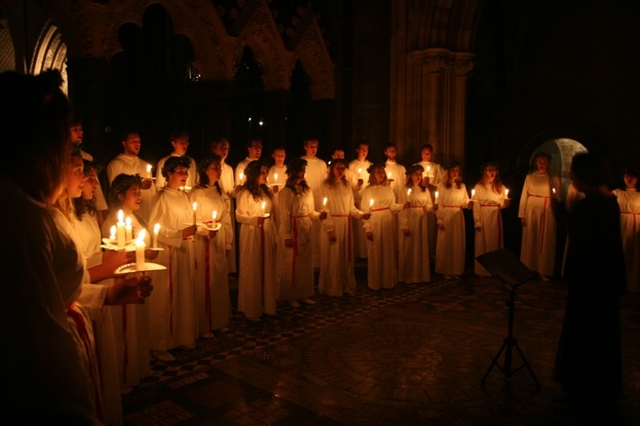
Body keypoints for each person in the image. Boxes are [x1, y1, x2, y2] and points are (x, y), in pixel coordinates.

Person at [0, 70, 151, 424]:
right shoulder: (21, 218)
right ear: (36, 146)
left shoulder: (29, 207)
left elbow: (51, 291)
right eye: (63, 146)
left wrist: (107, 296)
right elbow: (38, 342)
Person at [554, 152, 625, 422]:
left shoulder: (597, 203)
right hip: (602, 279)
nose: (572, 177)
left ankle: (586, 383)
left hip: (591, 278)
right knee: (600, 329)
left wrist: (561, 214)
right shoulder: (606, 200)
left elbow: (584, 236)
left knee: (587, 329)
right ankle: (597, 383)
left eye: (574, 172)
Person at [102, 173, 158, 390]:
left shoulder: (135, 218)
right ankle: (123, 375)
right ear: (119, 195)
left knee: (137, 324)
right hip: (122, 278)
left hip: (135, 276)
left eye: (139, 191)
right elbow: (114, 256)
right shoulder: (112, 222)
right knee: (125, 329)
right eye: (133, 192)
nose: (139, 196)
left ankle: (138, 368)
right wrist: (141, 254)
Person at [147, 156, 199, 361]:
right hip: (168, 253)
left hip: (185, 250)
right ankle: (160, 343)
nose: (185, 176)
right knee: (166, 298)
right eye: (180, 172)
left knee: (183, 295)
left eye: (186, 172)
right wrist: (180, 233)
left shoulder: (185, 197)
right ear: (169, 173)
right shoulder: (161, 197)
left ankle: (181, 336)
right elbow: (155, 229)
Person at [189, 156, 233, 337]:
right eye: (215, 167)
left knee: (219, 281)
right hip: (203, 241)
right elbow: (191, 220)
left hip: (219, 238)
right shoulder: (196, 193)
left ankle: (219, 319)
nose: (219, 169)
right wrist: (204, 230)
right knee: (205, 281)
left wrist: (228, 242)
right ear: (205, 170)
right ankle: (204, 323)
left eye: (219, 167)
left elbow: (227, 219)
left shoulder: (221, 193)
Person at [276, 158, 326, 307]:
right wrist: (287, 235)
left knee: (304, 263)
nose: (304, 172)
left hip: (305, 229)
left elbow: (310, 211)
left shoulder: (306, 190)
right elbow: (284, 216)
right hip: (293, 229)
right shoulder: (286, 192)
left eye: (305, 169)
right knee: (291, 263)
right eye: (301, 169)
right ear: (293, 172)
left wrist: (319, 216)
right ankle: (290, 295)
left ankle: (304, 293)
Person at [319, 159, 370, 296]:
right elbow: (324, 209)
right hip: (333, 223)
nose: (341, 171)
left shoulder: (347, 186)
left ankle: (345, 284)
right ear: (332, 169)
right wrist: (329, 228)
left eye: (343, 168)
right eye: (338, 168)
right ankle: (332, 287)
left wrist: (361, 215)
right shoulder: (325, 186)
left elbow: (351, 207)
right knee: (333, 256)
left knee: (344, 256)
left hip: (345, 224)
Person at [236, 160, 278, 321]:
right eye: (263, 172)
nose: (266, 175)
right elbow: (239, 215)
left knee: (266, 267)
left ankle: (266, 305)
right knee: (252, 268)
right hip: (251, 232)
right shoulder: (245, 193)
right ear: (254, 175)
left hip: (265, 231)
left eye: (266, 172)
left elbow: (271, 213)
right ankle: (251, 307)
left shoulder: (265, 191)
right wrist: (254, 220)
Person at [361, 163, 409, 290]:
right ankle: (375, 282)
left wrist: (401, 206)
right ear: (372, 175)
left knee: (387, 251)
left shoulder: (388, 188)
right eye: (378, 172)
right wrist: (368, 228)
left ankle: (388, 280)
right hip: (374, 220)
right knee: (375, 252)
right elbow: (365, 209)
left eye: (382, 172)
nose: (381, 175)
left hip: (387, 220)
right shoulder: (368, 190)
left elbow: (392, 206)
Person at [518, 152, 561, 281]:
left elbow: (557, 196)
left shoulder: (554, 178)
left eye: (544, 161)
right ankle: (529, 268)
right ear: (536, 163)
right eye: (539, 161)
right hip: (532, 211)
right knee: (532, 237)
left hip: (547, 211)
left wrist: (555, 201)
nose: (542, 164)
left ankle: (544, 269)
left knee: (546, 239)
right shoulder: (530, 177)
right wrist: (522, 214)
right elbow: (524, 196)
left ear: (548, 163)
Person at [107, 130, 157, 222]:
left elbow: (152, 193)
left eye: (138, 141)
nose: (137, 144)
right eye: (132, 141)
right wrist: (140, 186)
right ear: (124, 143)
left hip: (147, 215)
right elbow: (116, 189)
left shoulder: (145, 164)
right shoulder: (116, 164)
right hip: (127, 218)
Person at [398, 164, 435, 283]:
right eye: (416, 174)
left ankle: (420, 275)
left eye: (420, 174)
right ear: (410, 176)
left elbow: (427, 205)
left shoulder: (425, 189)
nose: (419, 177)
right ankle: (408, 276)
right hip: (410, 219)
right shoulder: (404, 190)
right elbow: (401, 209)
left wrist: (433, 207)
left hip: (421, 220)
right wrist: (404, 225)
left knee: (420, 246)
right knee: (409, 247)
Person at [435, 162, 472, 279]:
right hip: (446, 214)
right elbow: (439, 203)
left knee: (457, 242)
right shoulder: (442, 186)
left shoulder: (462, 186)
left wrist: (469, 203)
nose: (455, 173)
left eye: (457, 171)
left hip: (458, 215)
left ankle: (456, 269)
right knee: (446, 242)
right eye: (453, 170)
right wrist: (440, 219)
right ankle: (445, 269)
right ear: (448, 171)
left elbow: (464, 201)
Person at [472, 163, 510, 277]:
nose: (492, 172)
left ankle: (495, 270)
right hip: (484, 216)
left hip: (495, 217)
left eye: (494, 170)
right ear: (485, 171)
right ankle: (482, 270)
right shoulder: (479, 187)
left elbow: (502, 203)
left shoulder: (500, 187)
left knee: (494, 241)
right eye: (489, 170)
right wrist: (477, 220)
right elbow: (476, 204)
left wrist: (505, 203)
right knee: (483, 242)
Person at [70, 117, 108, 227]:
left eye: (81, 129)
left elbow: (97, 191)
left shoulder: (87, 157)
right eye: (75, 129)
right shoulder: (60, 157)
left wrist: (100, 218)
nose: (80, 132)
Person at [210, 137, 238, 274]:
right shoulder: (210, 166)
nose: (225, 150)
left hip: (227, 206)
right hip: (215, 207)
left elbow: (230, 190)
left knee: (227, 234)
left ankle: (227, 269)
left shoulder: (228, 169)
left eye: (226, 147)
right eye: (222, 147)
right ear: (214, 149)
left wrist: (236, 191)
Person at [301, 137, 328, 267]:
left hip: (318, 196)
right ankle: (307, 257)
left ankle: (319, 257)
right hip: (305, 197)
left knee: (319, 227)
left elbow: (325, 180)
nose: (313, 149)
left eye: (315, 147)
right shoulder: (301, 162)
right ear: (305, 147)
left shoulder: (322, 164)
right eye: (311, 146)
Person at [612, 167, 640, 293]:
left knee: (635, 254)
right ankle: (620, 283)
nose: (629, 179)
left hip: (637, 226)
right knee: (621, 252)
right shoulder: (617, 193)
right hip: (622, 224)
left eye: (632, 177)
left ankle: (634, 284)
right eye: (627, 176)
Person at [417, 144, 444, 261]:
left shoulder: (437, 167)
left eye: (429, 153)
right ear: (421, 153)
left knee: (432, 225)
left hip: (433, 197)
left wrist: (431, 186)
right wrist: (423, 184)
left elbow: (442, 184)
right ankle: (420, 249)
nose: (426, 155)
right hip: (419, 198)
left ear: (432, 154)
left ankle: (431, 249)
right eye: (424, 152)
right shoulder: (416, 166)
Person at [348, 140, 372, 259]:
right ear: (357, 150)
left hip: (367, 199)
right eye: (362, 149)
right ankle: (358, 253)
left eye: (366, 149)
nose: (364, 152)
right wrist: (357, 185)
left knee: (367, 225)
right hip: (357, 199)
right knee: (358, 228)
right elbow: (350, 185)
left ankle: (367, 252)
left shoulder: (370, 165)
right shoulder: (352, 165)